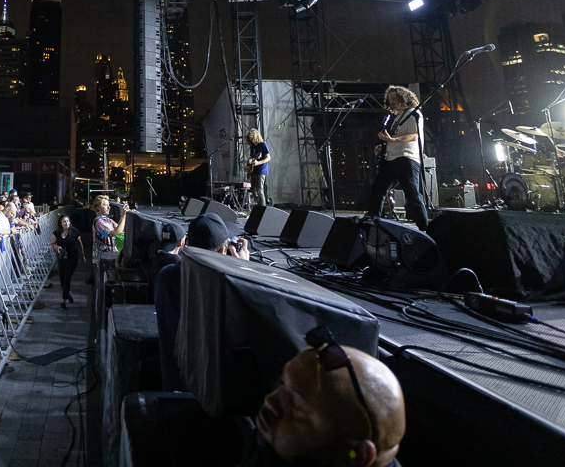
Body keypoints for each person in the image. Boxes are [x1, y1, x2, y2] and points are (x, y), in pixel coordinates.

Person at [245, 328, 406, 467]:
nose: (270, 401)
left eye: (295, 404)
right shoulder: (271, 447)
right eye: (282, 384)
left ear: (358, 455)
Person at [154, 213, 248, 392]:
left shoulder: (167, 276)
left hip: (174, 390)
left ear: (187, 244)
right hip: (213, 399)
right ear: (222, 251)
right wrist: (243, 271)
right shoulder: (227, 286)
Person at [365, 85, 429, 230]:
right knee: (378, 188)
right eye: (389, 99)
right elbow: (395, 137)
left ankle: (424, 226)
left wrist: (392, 141)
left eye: (394, 98)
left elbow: (414, 135)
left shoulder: (413, 113)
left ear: (403, 97)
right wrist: (383, 146)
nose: (391, 101)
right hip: (391, 158)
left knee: (411, 192)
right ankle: (373, 221)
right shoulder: (398, 117)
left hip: (406, 158)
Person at [50, 213, 83, 310]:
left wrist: (83, 255)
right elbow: (52, 243)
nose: (66, 223)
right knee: (62, 279)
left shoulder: (74, 231)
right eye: (64, 221)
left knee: (67, 277)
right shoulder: (56, 233)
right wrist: (57, 247)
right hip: (61, 258)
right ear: (60, 223)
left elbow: (80, 243)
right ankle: (68, 293)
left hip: (72, 258)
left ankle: (63, 301)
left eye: (68, 221)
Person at [247, 128, 271, 207]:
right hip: (254, 170)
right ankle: (259, 205)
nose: (252, 140)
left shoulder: (263, 145)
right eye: (250, 139)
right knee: (253, 190)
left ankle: (263, 208)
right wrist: (248, 164)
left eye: (252, 138)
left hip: (261, 170)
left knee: (260, 190)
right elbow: (251, 157)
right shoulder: (252, 147)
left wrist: (258, 163)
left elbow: (268, 158)